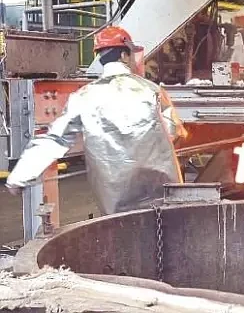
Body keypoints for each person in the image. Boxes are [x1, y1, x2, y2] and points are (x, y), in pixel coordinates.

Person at [5, 26, 187, 215]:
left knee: (123, 238)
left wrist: (20, 176)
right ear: (124, 55)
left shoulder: (83, 97)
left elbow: (55, 140)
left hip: (115, 200)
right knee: (168, 234)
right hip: (162, 191)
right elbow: (175, 131)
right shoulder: (153, 90)